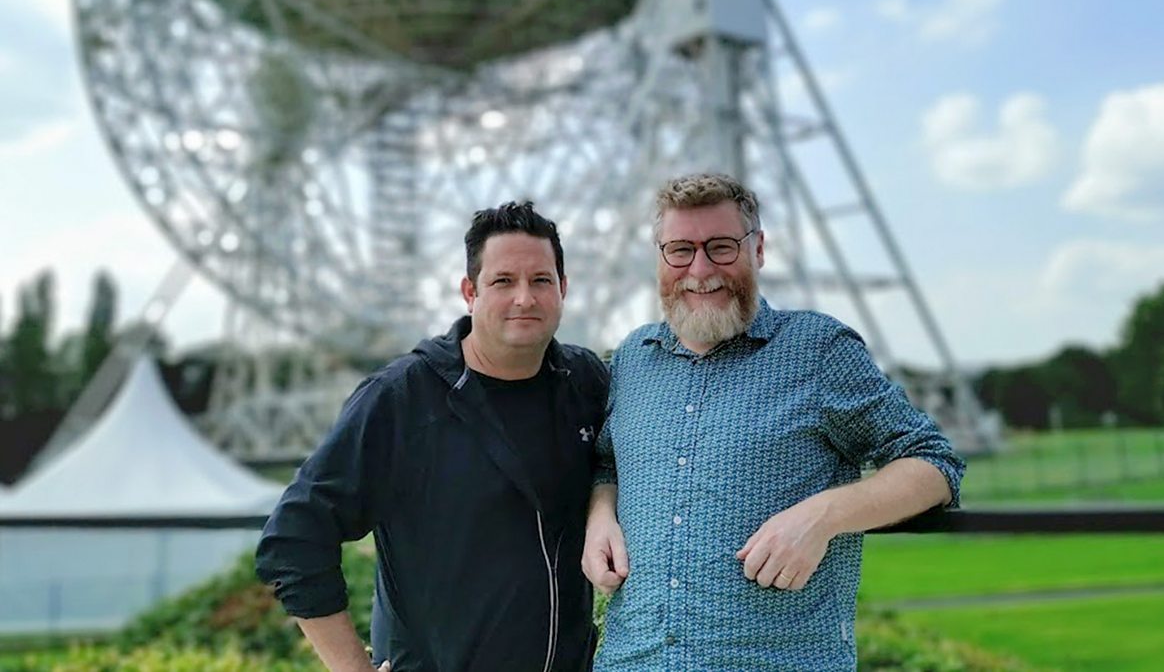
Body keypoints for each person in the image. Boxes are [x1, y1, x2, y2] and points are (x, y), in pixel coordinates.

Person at [581, 173, 965, 670]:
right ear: (660, 256)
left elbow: (934, 464)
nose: (700, 269)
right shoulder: (633, 358)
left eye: (721, 247)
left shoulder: (817, 350)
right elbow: (607, 463)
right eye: (680, 250)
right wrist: (600, 515)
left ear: (757, 249)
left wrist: (823, 516)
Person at [257, 201, 609, 672]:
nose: (524, 298)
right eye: (503, 281)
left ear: (562, 289)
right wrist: (352, 667)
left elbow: (624, 463)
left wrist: (603, 503)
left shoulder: (584, 382)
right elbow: (294, 536)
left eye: (541, 280)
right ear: (470, 291)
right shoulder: (403, 398)